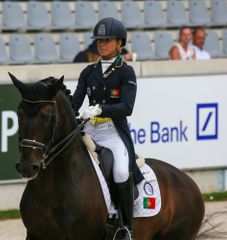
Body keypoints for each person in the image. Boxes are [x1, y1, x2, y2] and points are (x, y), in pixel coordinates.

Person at [72, 17, 144, 240]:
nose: (101, 44)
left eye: (107, 40)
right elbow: (75, 102)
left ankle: (126, 228)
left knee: (122, 172)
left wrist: (100, 109)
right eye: (99, 40)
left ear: (119, 43)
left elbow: (127, 107)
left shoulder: (126, 72)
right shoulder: (87, 72)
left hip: (112, 130)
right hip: (90, 129)